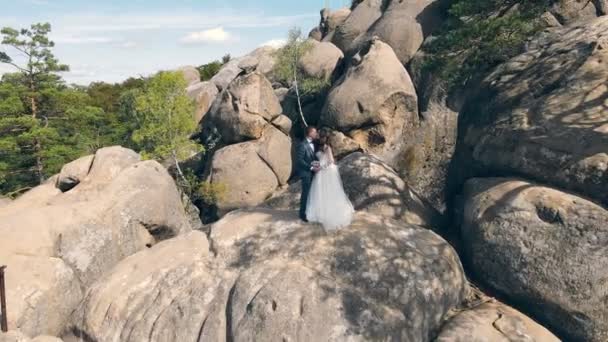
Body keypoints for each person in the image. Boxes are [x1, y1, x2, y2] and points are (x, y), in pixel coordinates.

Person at [305, 129, 354, 231]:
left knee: (330, 192)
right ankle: (320, 214)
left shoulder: (328, 147)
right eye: (319, 136)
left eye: (321, 136)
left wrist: (321, 167)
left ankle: (330, 213)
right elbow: (317, 159)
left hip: (327, 171)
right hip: (321, 171)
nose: (319, 137)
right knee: (319, 192)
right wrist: (315, 166)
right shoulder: (318, 147)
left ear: (324, 137)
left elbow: (331, 161)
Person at [295, 126, 320, 222]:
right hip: (306, 173)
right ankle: (302, 214)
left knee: (311, 193)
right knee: (305, 194)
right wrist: (311, 168)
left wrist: (317, 164)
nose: (316, 134)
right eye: (314, 132)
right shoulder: (302, 145)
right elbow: (299, 160)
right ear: (309, 133)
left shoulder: (315, 144)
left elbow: (313, 158)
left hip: (313, 172)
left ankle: (309, 211)